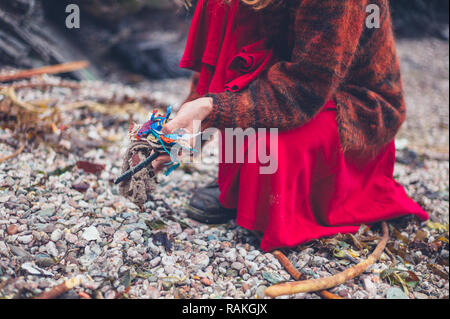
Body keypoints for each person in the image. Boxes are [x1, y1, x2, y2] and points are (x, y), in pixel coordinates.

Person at [152, 0, 428, 252]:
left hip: (353, 103)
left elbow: (305, 89)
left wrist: (211, 109)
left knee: (266, 156)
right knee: (254, 155)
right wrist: (180, 137)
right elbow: (219, 62)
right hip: (282, 82)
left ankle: (344, 186)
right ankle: (237, 180)